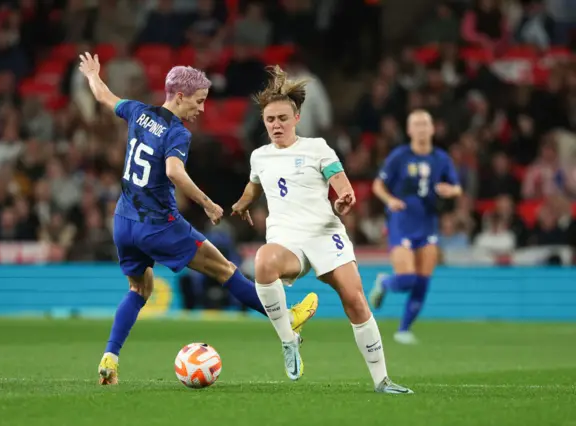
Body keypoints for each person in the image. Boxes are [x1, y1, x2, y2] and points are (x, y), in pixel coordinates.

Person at [77, 53, 318, 385]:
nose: (202, 109)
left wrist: (92, 74)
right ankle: (286, 317)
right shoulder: (177, 133)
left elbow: (104, 96)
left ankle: (110, 357)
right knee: (225, 269)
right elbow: (174, 171)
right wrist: (206, 203)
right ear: (179, 96)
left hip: (123, 222)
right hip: (159, 224)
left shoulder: (138, 111)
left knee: (137, 289)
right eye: (199, 101)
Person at [231, 65, 412, 394]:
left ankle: (382, 380)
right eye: (270, 120)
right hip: (287, 239)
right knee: (262, 262)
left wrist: (344, 199)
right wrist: (242, 204)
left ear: (296, 117)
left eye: (282, 118)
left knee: (355, 300)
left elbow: (341, 184)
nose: (276, 125)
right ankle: (289, 340)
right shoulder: (260, 156)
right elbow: (254, 186)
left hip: (325, 233)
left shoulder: (317, 148)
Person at [370, 110, 462, 345]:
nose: (421, 128)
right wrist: (390, 200)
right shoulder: (399, 156)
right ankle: (385, 282)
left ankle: (403, 330)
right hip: (402, 223)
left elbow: (457, 187)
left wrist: (450, 191)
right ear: (409, 130)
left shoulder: (441, 158)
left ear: (432, 129)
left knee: (422, 282)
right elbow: (378, 185)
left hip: (428, 223)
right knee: (408, 279)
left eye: (425, 124)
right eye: (416, 124)